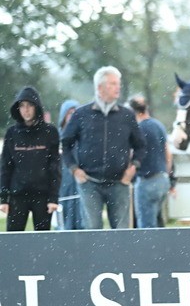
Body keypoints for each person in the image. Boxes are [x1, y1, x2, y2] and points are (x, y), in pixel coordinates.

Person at [61, 66, 146, 229]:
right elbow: (65, 144)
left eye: (118, 84)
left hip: (120, 183)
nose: (118, 87)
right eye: (113, 84)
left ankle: (119, 256)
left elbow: (141, 146)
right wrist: (74, 169)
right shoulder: (81, 114)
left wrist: (133, 168)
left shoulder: (127, 115)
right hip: (89, 183)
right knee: (92, 231)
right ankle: (95, 256)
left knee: (121, 234)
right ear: (100, 88)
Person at [0, 86, 60, 232]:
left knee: (43, 241)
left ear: (36, 107)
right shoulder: (12, 133)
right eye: (22, 106)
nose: (26, 110)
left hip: (42, 196)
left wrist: (53, 198)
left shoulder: (50, 132)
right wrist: (3, 198)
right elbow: (5, 166)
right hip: (17, 195)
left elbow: (55, 166)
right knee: (13, 239)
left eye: (30, 105)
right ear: (18, 108)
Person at [129, 96, 172, 228]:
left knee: (146, 225)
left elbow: (131, 154)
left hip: (146, 180)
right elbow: (168, 154)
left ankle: (149, 248)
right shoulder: (158, 125)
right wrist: (166, 172)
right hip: (162, 179)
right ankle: (161, 247)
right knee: (158, 222)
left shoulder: (138, 129)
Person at [56, 99, 82, 229]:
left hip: (80, 183)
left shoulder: (84, 137)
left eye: (75, 112)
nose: (73, 116)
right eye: (70, 113)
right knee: (64, 219)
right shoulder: (56, 137)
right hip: (62, 183)